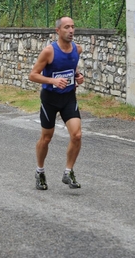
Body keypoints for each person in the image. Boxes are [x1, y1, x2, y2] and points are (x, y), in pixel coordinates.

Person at [28, 16, 84, 190]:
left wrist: (78, 76)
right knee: (46, 138)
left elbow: (73, 68)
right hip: (50, 99)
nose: (71, 30)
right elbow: (33, 75)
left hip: (68, 97)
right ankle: (40, 171)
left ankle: (69, 172)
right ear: (58, 31)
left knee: (77, 135)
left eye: (73, 27)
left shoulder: (77, 49)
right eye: (67, 27)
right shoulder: (49, 51)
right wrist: (53, 81)